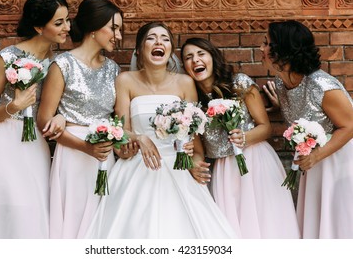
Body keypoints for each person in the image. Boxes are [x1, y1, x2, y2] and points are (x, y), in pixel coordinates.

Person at [84, 22, 237, 239]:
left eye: (165, 39)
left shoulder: (185, 83)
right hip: (137, 167)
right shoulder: (125, 80)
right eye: (151, 38)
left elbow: (195, 134)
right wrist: (139, 138)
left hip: (178, 165)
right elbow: (121, 129)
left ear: (170, 51)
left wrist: (195, 161)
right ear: (139, 50)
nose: (159, 42)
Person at [0, 0, 70, 238]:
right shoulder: (7, 58)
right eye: (59, 23)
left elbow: (54, 107)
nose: (67, 27)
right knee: (6, 212)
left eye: (67, 20)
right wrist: (13, 107)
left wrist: (61, 117)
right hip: (4, 143)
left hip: (35, 143)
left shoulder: (57, 62)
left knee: (35, 212)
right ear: (39, 26)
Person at [180, 38, 300, 239]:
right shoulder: (192, 103)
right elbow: (198, 145)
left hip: (255, 161)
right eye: (188, 57)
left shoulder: (240, 83)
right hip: (224, 170)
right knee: (233, 231)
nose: (195, 60)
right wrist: (194, 163)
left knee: (268, 225)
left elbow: (266, 128)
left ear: (212, 57)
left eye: (201, 54)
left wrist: (243, 137)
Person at [37, 0, 131, 239]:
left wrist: (117, 144)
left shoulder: (113, 69)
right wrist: (85, 147)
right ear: (94, 27)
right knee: (74, 219)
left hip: (103, 153)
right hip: (73, 154)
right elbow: (43, 120)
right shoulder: (63, 64)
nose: (118, 36)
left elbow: (117, 118)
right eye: (114, 28)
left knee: (102, 223)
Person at [261, 20, 353, 238]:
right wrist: (279, 106)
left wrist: (317, 155)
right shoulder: (282, 82)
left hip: (338, 161)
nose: (261, 49)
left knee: (339, 220)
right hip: (312, 163)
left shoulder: (322, 86)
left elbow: (350, 125)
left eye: (267, 43)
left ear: (282, 51)